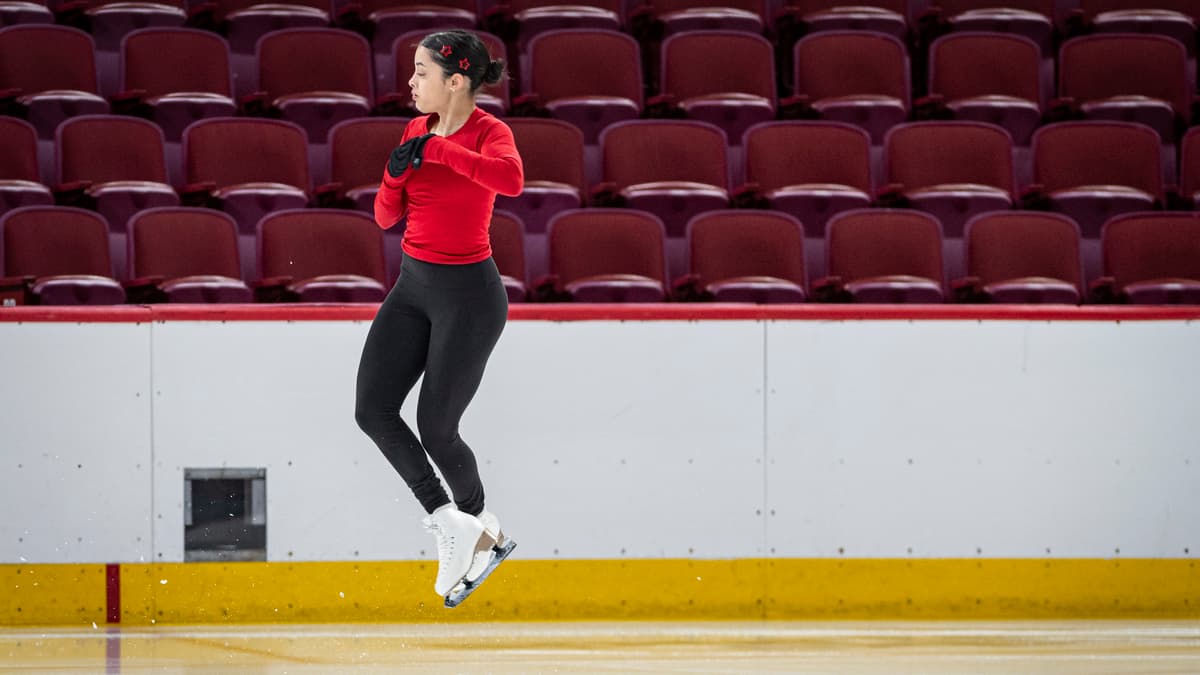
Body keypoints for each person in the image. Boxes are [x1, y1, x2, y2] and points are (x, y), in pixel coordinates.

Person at [354, 29, 523, 607]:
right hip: (412, 288)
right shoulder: (414, 130)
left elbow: (510, 180)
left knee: (437, 427)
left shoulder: (491, 133)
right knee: (372, 410)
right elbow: (384, 218)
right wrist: (394, 174)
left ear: (456, 81)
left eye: (421, 72)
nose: (410, 82)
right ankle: (452, 521)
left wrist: (441, 152)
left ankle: (478, 522)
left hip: (470, 298)